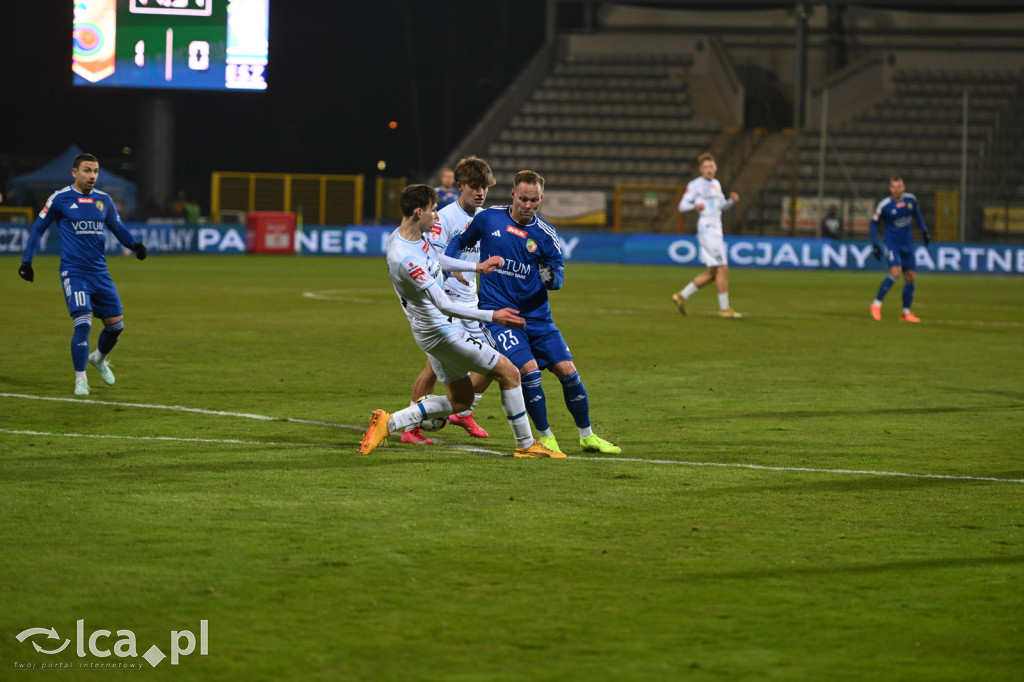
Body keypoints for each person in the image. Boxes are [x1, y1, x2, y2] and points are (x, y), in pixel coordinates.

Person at [358, 183, 562, 459]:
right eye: (433, 211)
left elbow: (437, 259)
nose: (437, 217)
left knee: (461, 400)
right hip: (441, 331)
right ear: (419, 212)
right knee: (509, 372)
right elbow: (442, 303)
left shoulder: (406, 236)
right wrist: (494, 316)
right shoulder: (405, 258)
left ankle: (389, 422)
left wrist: (476, 266)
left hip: (431, 330)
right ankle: (525, 445)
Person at [445, 170, 621, 456]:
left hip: (539, 318)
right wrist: (453, 266)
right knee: (527, 371)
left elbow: (558, 280)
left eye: (535, 201)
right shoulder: (488, 219)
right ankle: (546, 437)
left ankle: (587, 437)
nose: (528, 205)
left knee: (568, 372)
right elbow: (458, 241)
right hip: (500, 316)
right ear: (513, 194)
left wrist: (547, 275)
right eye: (524, 199)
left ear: (541, 199)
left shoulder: (546, 235)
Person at [17, 153, 148, 395]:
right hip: (74, 272)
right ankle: (81, 379)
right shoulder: (60, 199)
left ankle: (98, 358)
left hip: (100, 272)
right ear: (74, 172)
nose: (92, 176)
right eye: (87, 170)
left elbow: (117, 228)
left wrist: (135, 245)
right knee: (83, 324)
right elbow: (38, 229)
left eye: (96, 171)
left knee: (116, 326)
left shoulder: (104, 200)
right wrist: (27, 261)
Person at [401, 156, 496, 445]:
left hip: (471, 303)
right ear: (460, 187)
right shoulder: (445, 218)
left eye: (485, 187)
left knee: (496, 358)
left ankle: (464, 411)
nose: (480, 192)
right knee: (433, 367)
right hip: (447, 305)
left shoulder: (485, 217)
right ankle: (410, 427)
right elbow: (434, 257)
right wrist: (456, 269)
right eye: (475, 187)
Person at [670, 152, 742, 319]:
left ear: (715, 168)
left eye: (711, 166)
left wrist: (731, 201)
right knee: (723, 268)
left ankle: (681, 296)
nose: (709, 169)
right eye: (705, 167)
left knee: (712, 273)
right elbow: (682, 206)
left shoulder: (716, 184)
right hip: (707, 229)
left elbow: (721, 207)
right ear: (700, 169)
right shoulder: (695, 185)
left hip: (717, 229)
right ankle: (724, 309)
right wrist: (695, 205)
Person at [869, 175, 931, 323]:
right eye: (893, 187)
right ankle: (876, 304)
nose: (896, 190)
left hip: (907, 244)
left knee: (910, 276)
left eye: (898, 187)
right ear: (890, 188)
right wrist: (875, 245)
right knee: (895, 273)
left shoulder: (911, 200)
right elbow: (873, 224)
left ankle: (905, 313)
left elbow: (917, 214)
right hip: (892, 244)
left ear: (903, 188)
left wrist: (924, 231)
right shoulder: (884, 205)